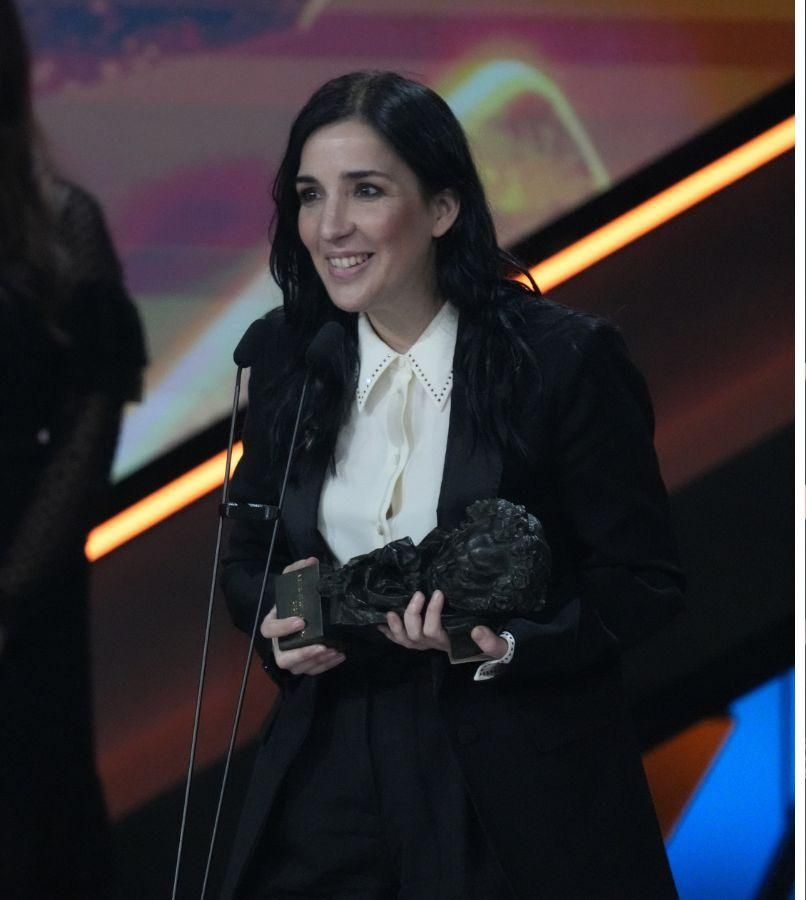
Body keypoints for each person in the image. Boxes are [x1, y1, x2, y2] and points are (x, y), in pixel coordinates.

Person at [218, 70, 683, 898]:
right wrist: (280, 627)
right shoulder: (290, 362)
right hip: (334, 759)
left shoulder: (562, 362)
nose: (331, 228)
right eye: (309, 194)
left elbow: (642, 582)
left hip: (509, 769)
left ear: (442, 208)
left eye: (365, 192)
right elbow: (249, 560)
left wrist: (502, 642)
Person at [0, 1, 147, 895]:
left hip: (31, 591)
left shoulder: (58, 224)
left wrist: (13, 587)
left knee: (38, 828)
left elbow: (97, 410)